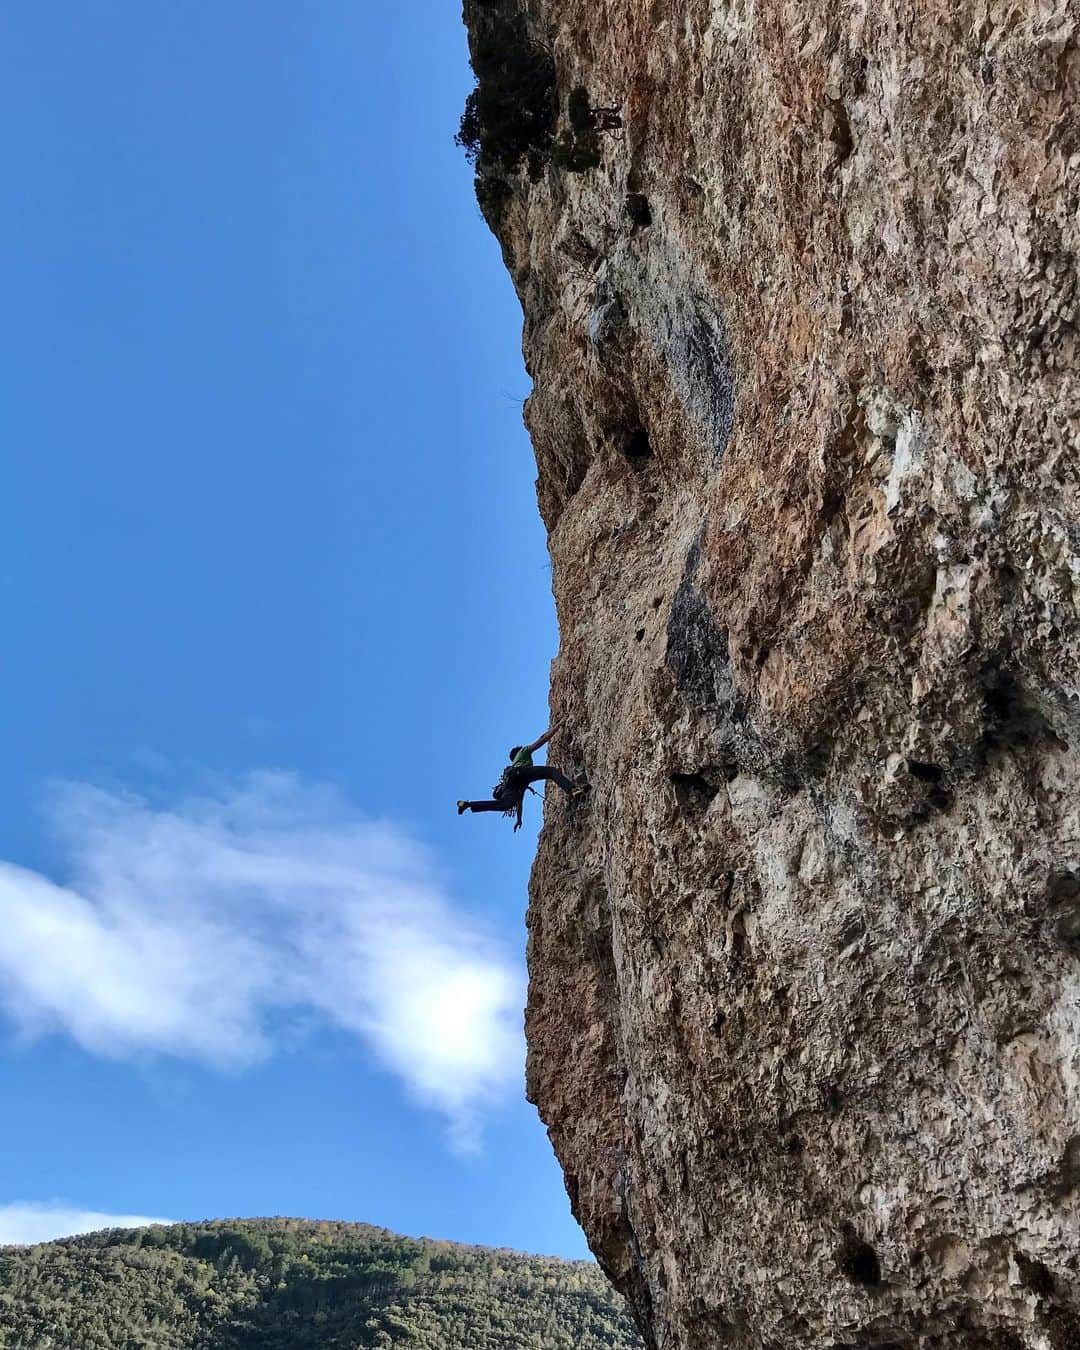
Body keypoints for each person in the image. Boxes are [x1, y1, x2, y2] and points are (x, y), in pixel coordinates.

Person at [457, 725, 584, 832]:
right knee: (551, 771)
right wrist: (559, 725)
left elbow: (519, 801)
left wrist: (519, 819)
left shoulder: (513, 777)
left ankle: (468, 804)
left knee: (504, 805)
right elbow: (542, 739)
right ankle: (573, 790)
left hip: (511, 784)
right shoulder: (523, 752)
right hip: (521, 773)